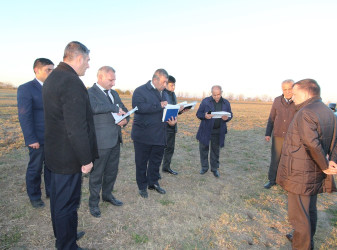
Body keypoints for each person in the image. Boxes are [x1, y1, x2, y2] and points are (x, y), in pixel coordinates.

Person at [43, 41, 98, 250]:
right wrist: (86, 159)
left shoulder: (54, 77)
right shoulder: (70, 81)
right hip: (68, 156)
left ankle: (65, 234)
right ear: (79, 58)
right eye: (88, 60)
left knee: (59, 201)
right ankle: (66, 245)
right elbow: (76, 127)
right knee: (67, 203)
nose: (89, 65)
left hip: (56, 154)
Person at [276, 79, 337, 250]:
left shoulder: (306, 112)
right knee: (309, 209)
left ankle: (303, 245)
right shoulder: (328, 111)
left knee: (299, 216)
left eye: (294, 93)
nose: (292, 97)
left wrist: (326, 164)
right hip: (314, 172)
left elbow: (311, 143)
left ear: (306, 93)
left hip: (301, 173)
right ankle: (303, 239)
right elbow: (335, 141)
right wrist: (331, 161)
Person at [87, 66, 129, 218]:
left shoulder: (114, 94)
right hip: (100, 142)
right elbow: (94, 107)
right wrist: (114, 107)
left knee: (112, 171)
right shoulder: (90, 93)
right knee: (97, 174)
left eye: (114, 80)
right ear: (100, 77)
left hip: (115, 140)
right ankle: (93, 203)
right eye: (111, 80)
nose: (113, 83)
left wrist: (125, 120)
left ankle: (107, 195)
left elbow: (124, 109)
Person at [131, 69, 177, 198]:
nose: (165, 85)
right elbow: (138, 108)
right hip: (143, 135)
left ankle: (153, 182)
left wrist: (171, 121)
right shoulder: (140, 90)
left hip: (160, 134)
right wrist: (158, 105)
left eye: (166, 82)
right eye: (163, 82)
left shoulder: (165, 93)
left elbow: (165, 111)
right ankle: (142, 186)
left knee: (156, 161)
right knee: (141, 162)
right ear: (155, 79)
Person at [17, 58, 54, 208]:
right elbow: (24, 115)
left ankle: (51, 192)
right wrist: (31, 138)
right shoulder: (26, 88)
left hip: (53, 137)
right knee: (35, 168)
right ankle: (34, 196)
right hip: (37, 138)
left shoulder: (53, 88)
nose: (52, 73)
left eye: (53, 70)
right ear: (36, 70)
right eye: (48, 70)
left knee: (52, 166)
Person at [264, 79, 296, 189]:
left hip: (293, 137)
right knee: (275, 159)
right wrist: (268, 133)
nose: (287, 91)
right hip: (278, 135)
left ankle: (286, 182)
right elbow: (271, 118)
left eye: (290, 89)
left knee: (289, 160)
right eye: (285, 89)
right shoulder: (277, 100)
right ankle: (272, 180)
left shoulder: (298, 101)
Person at [196, 85, 233, 177]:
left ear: (221, 93)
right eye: (214, 95)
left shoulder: (226, 103)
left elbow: (230, 114)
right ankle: (204, 167)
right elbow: (198, 114)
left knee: (215, 150)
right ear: (211, 93)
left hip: (218, 131)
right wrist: (205, 115)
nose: (216, 97)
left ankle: (214, 168)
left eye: (218, 94)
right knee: (203, 149)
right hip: (206, 130)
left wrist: (227, 118)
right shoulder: (205, 101)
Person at [161, 75, 183, 175]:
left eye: (174, 85)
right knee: (160, 149)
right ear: (165, 84)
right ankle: (154, 171)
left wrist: (181, 110)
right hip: (163, 127)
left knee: (170, 148)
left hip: (172, 125)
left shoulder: (173, 95)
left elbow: (174, 110)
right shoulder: (161, 94)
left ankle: (166, 167)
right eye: (171, 85)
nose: (173, 87)